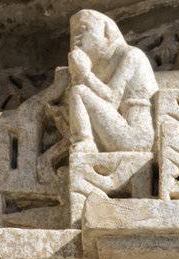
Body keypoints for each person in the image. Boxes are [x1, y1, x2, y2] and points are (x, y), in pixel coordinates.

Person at [66, 10, 158, 153]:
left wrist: (86, 75)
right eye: (73, 33)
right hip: (114, 132)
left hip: (136, 137)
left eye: (84, 29)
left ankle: (85, 142)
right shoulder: (97, 64)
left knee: (79, 91)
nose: (76, 37)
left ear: (106, 33)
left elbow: (113, 100)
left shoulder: (131, 55)